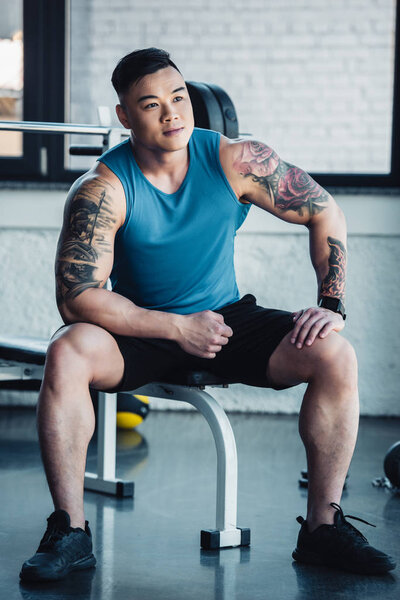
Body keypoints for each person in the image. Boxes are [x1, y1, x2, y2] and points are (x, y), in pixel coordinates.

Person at [20, 47, 395, 582]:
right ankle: (71, 531)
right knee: (67, 349)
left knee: (334, 353)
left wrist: (331, 303)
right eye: (151, 105)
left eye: (178, 98)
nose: (172, 114)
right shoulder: (102, 188)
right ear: (125, 117)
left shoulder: (235, 161)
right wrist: (173, 326)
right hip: (139, 326)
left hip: (224, 319)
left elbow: (325, 211)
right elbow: (78, 297)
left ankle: (322, 530)